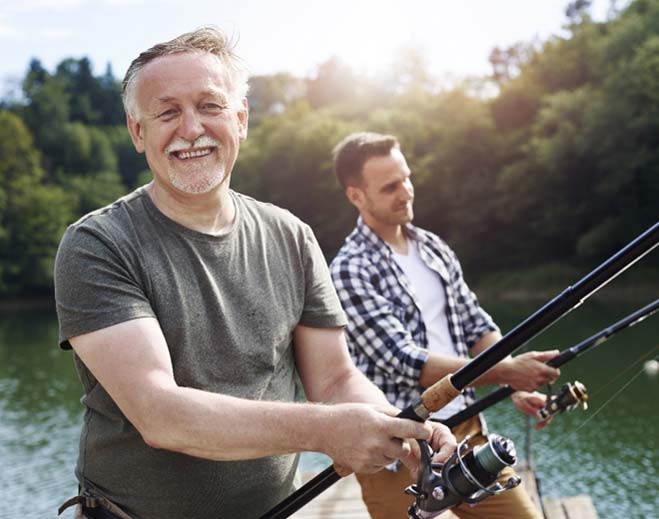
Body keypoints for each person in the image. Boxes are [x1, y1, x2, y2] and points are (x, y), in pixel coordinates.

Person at [53, 30, 456, 519]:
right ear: (138, 132)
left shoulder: (292, 236)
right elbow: (161, 416)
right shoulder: (97, 245)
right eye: (167, 112)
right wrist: (328, 431)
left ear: (240, 119)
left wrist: (395, 425)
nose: (191, 128)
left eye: (210, 105)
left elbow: (334, 380)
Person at [329, 132, 562, 519]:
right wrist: (508, 372)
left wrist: (512, 382)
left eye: (406, 178)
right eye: (390, 187)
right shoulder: (350, 270)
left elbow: (475, 324)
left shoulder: (434, 248)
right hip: (396, 448)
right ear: (357, 196)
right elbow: (406, 361)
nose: (405, 192)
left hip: (465, 431)